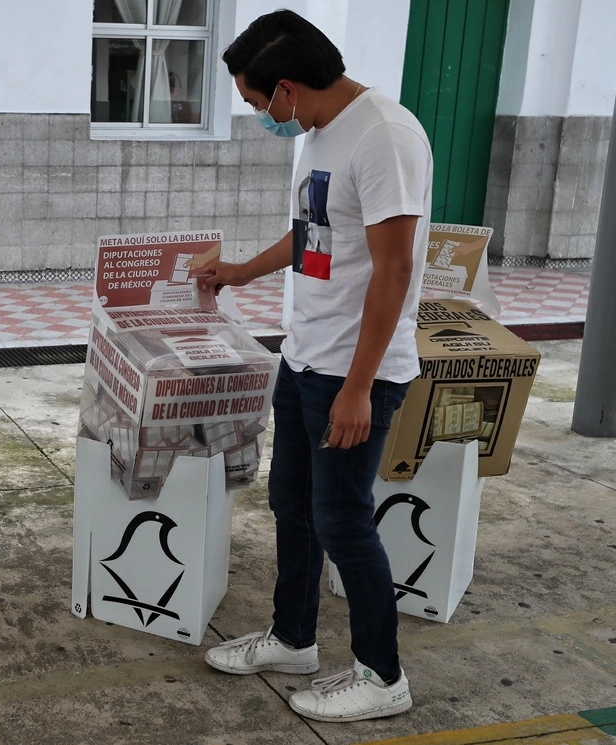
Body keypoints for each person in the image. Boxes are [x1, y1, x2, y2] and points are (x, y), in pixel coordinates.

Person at [198, 9, 432, 723]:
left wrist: (359, 387)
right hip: (305, 356)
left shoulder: (384, 136)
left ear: (286, 89)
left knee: (341, 519)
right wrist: (241, 272)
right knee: (292, 507)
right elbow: (312, 235)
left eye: (252, 101)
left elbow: (394, 270)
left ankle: (381, 674)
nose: (256, 113)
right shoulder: (319, 133)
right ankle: (294, 638)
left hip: (354, 371)